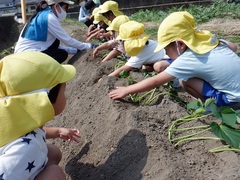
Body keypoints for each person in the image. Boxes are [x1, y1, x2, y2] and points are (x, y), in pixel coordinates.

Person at [109, 11, 240, 108]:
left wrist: (126, 90)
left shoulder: (188, 59)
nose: (165, 52)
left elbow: (155, 81)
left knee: (185, 80)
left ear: (181, 44)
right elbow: (234, 47)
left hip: (234, 100)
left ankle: (213, 108)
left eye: (166, 49)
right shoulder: (210, 40)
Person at [0, 51, 80, 179]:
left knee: (52, 153)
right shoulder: (24, 151)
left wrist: (57, 131)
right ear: (44, 100)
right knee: (55, 174)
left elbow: (32, 132)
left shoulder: (14, 121)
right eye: (64, 91)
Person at [14, 0, 98, 63]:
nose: (65, 12)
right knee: (61, 54)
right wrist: (89, 46)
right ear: (57, 6)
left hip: (25, 54)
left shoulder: (42, 15)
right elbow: (67, 40)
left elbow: (49, 47)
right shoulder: (49, 18)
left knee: (56, 46)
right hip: (28, 55)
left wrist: (74, 50)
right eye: (65, 8)